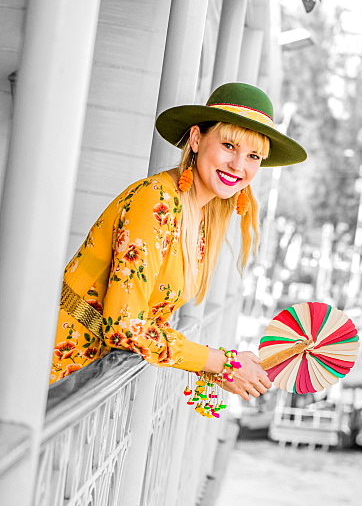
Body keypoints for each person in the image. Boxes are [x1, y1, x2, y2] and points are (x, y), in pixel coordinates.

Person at [50, 83, 307, 413]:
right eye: (229, 145)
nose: (239, 165)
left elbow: (147, 323)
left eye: (253, 156)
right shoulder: (155, 200)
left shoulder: (198, 215)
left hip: (79, 385)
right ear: (197, 140)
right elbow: (124, 326)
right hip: (50, 369)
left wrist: (218, 367)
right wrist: (219, 362)